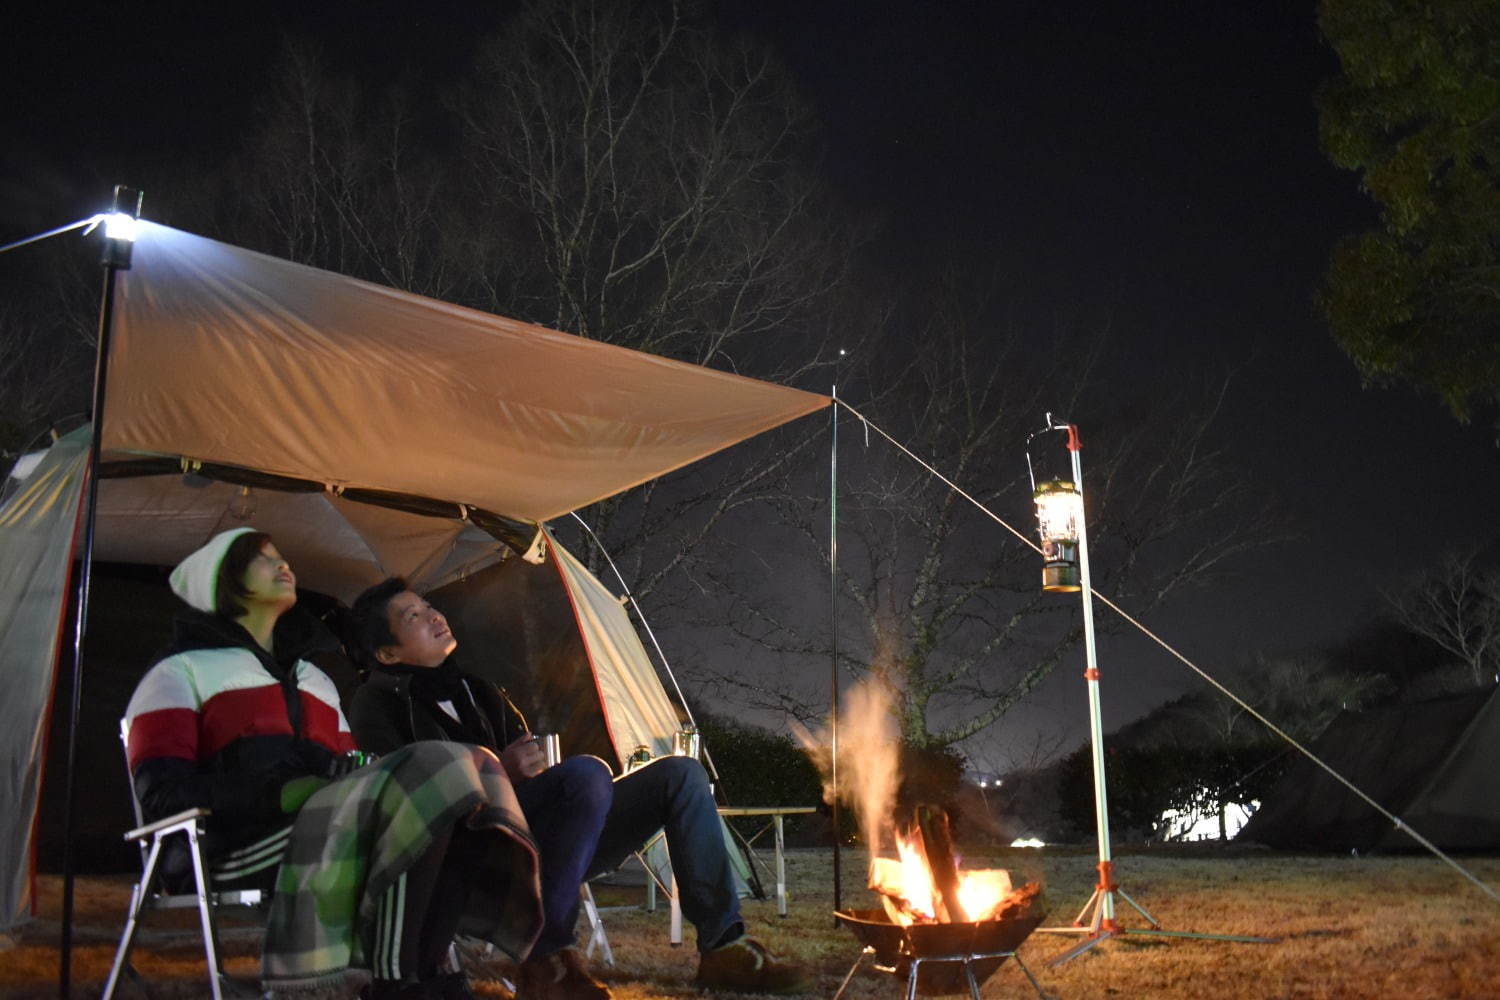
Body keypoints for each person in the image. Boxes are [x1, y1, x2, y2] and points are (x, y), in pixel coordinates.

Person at [124, 528, 544, 1000]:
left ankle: (416, 977)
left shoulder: (315, 679)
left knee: (454, 800)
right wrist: (279, 793)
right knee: (437, 771)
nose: (284, 565)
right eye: (262, 560)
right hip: (228, 844)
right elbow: (162, 795)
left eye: (281, 555)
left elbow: (354, 769)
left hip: (333, 824)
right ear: (221, 583)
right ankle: (403, 982)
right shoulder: (180, 672)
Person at [346, 578, 808, 998]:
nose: (434, 616)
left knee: (681, 774)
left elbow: (526, 764)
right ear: (387, 653)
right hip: (470, 853)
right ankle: (547, 960)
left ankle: (724, 948)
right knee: (588, 772)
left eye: (429, 607)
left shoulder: (477, 690)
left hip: (538, 837)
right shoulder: (375, 703)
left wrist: (530, 773)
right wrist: (496, 771)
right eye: (413, 616)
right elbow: (404, 792)